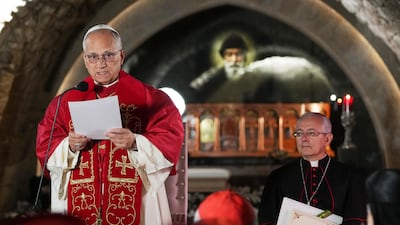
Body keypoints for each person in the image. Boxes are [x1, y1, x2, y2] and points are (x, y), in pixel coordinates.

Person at [36, 24, 184, 225]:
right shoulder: (64, 102)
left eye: (108, 55)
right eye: (93, 57)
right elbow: (45, 146)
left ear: (121, 56)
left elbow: (171, 140)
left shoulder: (152, 99)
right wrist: (69, 146)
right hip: (80, 202)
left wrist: (135, 142)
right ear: (85, 59)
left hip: (135, 203)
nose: (101, 64)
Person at [258, 112, 367, 225]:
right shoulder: (278, 177)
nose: (304, 139)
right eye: (299, 133)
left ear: (328, 139)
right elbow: (266, 219)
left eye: (311, 133)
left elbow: (356, 219)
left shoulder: (350, 176)